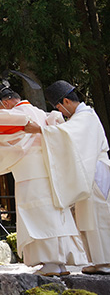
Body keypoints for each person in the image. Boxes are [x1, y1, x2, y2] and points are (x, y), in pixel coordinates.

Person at [0, 82, 86, 276]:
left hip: (30, 170)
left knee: (39, 214)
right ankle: (59, 262)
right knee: (54, 212)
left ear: (7, 102)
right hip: (49, 169)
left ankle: (51, 263)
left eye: (2, 106)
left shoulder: (16, 114)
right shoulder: (43, 113)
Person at [25, 80, 110, 274]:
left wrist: (40, 130)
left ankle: (106, 261)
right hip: (88, 172)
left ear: (66, 100)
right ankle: (98, 260)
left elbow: (67, 135)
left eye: (59, 107)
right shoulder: (81, 117)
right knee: (88, 218)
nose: (61, 112)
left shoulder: (86, 116)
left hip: (96, 173)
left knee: (99, 217)